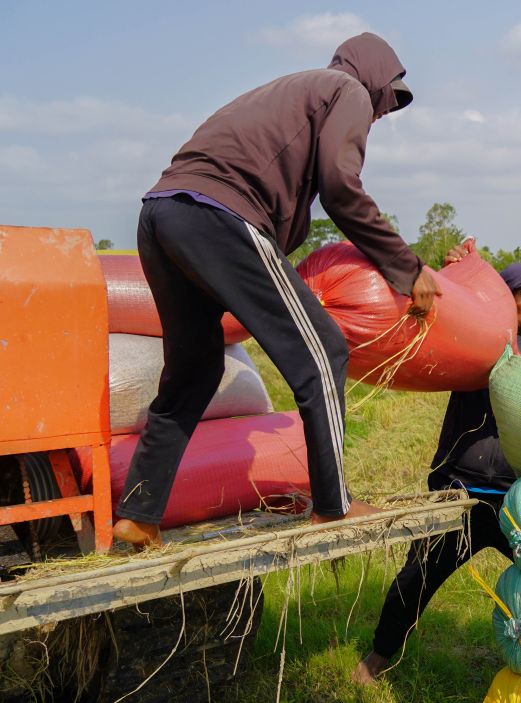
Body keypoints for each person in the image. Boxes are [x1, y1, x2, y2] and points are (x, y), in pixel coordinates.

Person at [112, 33, 442, 548]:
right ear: (376, 77)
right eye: (388, 100)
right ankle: (334, 506)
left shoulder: (292, 91)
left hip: (162, 213)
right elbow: (341, 187)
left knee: (194, 373)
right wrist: (407, 266)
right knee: (324, 349)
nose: (380, 114)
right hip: (218, 213)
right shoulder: (348, 90)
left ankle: (138, 514)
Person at [353, 241, 521, 684]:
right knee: (417, 577)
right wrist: (454, 279)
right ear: (503, 296)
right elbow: (438, 317)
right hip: (458, 491)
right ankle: (377, 657)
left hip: (516, 498)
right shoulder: (478, 334)